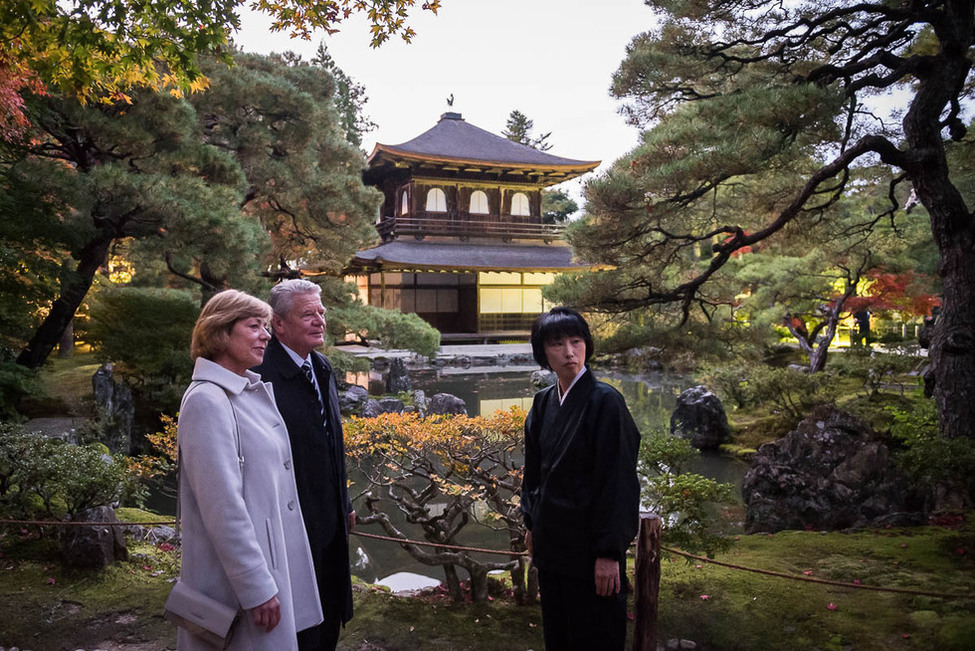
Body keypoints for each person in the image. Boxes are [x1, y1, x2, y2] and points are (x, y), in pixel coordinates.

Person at [176, 289, 322, 650]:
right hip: (237, 582)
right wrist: (255, 585)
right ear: (220, 333)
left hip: (269, 563)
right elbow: (222, 507)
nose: (266, 335)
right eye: (254, 326)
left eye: (266, 326)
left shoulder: (243, 391)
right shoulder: (208, 400)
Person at [521, 307, 641, 651]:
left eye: (576, 342)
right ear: (543, 352)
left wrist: (609, 553)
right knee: (559, 636)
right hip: (552, 546)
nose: (569, 352)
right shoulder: (543, 402)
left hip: (591, 552)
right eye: (558, 344)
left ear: (587, 345)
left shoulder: (606, 402)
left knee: (596, 637)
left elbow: (618, 483)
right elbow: (534, 473)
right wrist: (532, 523)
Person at [253, 279, 355, 651]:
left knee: (328, 610)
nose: (319, 321)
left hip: (329, 514)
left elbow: (332, 443)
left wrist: (344, 504)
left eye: (321, 312)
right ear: (278, 323)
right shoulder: (261, 373)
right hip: (287, 520)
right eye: (307, 314)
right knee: (297, 623)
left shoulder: (321, 366)